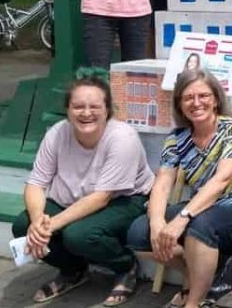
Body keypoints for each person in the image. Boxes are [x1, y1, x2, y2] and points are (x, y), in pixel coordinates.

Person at [126, 69, 232, 308]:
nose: (196, 102)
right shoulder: (176, 138)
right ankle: (199, 278)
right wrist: (157, 223)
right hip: (200, 210)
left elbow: (221, 180)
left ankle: (194, 301)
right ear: (180, 105)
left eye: (203, 96)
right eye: (188, 98)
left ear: (216, 100)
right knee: (139, 232)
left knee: (200, 225)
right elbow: (162, 182)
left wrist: (182, 218)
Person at [13, 76, 154, 306]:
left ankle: (125, 266)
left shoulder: (122, 138)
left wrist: (49, 226)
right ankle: (73, 270)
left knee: (79, 235)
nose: (86, 113)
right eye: (78, 106)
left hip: (123, 199)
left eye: (94, 106)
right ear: (68, 110)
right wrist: (38, 221)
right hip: (72, 198)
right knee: (23, 226)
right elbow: (35, 183)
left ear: (107, 110)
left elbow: (101, 197)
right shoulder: (57, 133)